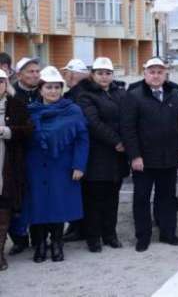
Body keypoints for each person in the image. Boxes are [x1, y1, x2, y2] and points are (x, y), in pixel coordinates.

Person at [23, 66, 89, 263]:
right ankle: (41, 244)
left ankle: (57, 243)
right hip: (35, 165)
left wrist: (79, 165)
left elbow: (82, 138)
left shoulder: (73, 111)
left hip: (62, 164)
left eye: (57, 87)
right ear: (40, 89)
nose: (53, 91)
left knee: (59, 206)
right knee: (38, 205)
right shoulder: (30, 111)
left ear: (61, 89)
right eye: (49, 87)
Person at [122, 57, 178, 252]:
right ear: (145, 74)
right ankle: (143, 236)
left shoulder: (175, 94)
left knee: (167, 197)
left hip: (169, 157)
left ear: (165, 74)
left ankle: (168, 233)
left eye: (160, 72)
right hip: (144, 159)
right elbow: (128, 129)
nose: (156, 75)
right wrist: (134, 156)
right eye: (152, 72)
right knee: (141, 198)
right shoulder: (133, 96)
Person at [76, 57, 128, 252]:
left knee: (113, 199)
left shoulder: (120, 93)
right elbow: (93, 123)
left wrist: (126, 142)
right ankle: (93, 237)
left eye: (108, 73)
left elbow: (128, 118)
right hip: (97, 156)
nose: (104, 77)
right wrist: (117, 141)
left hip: (118, 157)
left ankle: (110, 234)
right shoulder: (85, 95)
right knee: (94, 200)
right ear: (93, 74)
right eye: (100, 73)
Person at [7, 56, 41, 255]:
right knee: (15, 198)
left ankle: (38, 237)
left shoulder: (46, 90)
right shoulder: (11, 95)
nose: (35, 75)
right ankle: (19, 239)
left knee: (37, 197)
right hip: (15, 154)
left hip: (39, 154)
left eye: (37, 71)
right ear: (19, 75)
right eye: (30, 71)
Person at [0, 69, 33, 271]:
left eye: (1, 82)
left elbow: (28, 130)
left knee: (4, 210)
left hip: (7, 166)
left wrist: (7, 131)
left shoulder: (16, 105)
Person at [61, 57, 91, 243]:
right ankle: (76, 226)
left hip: (79, 149)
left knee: (80, 192)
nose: (64, 76)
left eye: (66, 72)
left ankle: (79, 228)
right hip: (80, 149)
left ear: (73, 74)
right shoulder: (78, 92)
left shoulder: (77, 95)